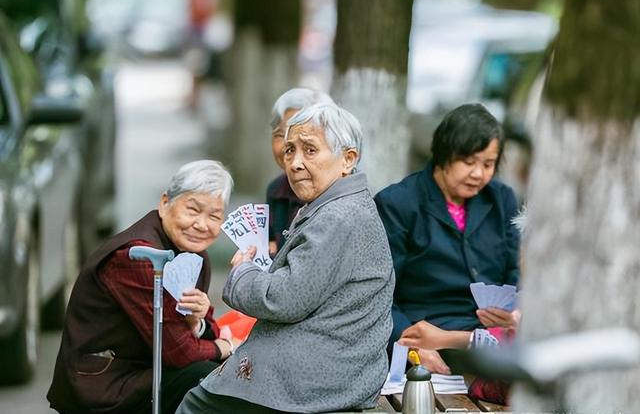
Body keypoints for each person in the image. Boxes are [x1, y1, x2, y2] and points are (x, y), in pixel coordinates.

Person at [177, 103, 395, 413]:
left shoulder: (338, 217)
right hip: (335, 365)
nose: (294, 163)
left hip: (319, 376)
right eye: (290, 151)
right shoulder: (341, 207)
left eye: (310, 150)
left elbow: (284, 299)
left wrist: (243, 274)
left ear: (348, 160)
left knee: (197, 404)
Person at [47, 160, 237, 414]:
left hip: (148, 366)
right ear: (165, 203)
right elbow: (178, 352)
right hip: (105, 380)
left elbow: (200, 329)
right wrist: (225, 348)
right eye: (192, 210)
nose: (202, 224)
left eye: (214, 216)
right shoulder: (137, 256)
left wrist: (198, 322)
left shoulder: (195, 256)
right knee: (209, 376)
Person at [374, 103, 521, 377]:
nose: (479, 174)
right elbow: (378, 294)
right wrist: (410, 342)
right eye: (469, 162)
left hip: (494, 337)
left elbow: (516, 271)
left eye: (488, 164)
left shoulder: (502, 200)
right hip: (428, 333)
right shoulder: (398, 204)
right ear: (444, 154)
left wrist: (515, 314)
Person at [266, 87, 334, 256]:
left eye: (303, 137)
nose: (288, 146)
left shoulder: (338, 195)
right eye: (281, 135)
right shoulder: (276, 190)